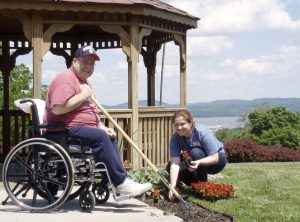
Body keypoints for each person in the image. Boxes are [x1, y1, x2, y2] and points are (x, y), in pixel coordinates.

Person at [43, 45, 152, 197]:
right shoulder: (66, 79)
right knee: (100, 137)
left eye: (92, 64)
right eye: (84, 62)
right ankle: (120, 183)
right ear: (74, 61)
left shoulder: (84, 82)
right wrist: (83, 95)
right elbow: (57, 109)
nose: (88, 67)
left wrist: (100, 125)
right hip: (63, 130)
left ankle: (117, 183)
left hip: (76, 127)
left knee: (108, 135)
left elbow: (89, 111)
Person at [167, 109, 227, 200]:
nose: (179, 127)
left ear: (190, 122)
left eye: (182, 124)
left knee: (195, 152)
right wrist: (173, 186)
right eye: (176, 125)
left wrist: (199, 162)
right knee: (169, 166)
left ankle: (203, 187)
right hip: (196, 159)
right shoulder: (175, 138)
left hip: (217, 161)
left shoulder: (202, 132)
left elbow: (215, 158)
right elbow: (175, 164)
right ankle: (194, 184)